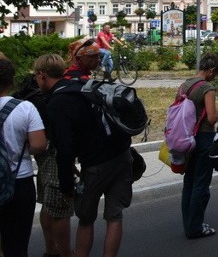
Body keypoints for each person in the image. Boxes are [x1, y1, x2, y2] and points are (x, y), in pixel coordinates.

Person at [40, 39, 133, 257]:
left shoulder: (61, 97)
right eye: (93, 56)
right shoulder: (95, 86)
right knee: (115, 216)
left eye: (97, 56)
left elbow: (65, 147)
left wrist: (66, 184)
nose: (97, 60)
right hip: (121, 154)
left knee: (86, 218)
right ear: (78, 57)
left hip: (96, 162)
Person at [24, 54, 75, 257]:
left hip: (45, 155)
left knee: (48, 204)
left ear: (42, 75)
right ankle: (63, 253)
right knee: (60, 209)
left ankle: (51, 249)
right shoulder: (63, 95)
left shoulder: (43, 97)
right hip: (56, 155)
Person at [0, 55, 48, 257]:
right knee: (17, 243)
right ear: (12, 81)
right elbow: (39, 145)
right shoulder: (25, 108)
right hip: (19, 181)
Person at [180, 53, 218, 239]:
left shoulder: (185, 84)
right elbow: (212, 117)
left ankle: (189, 223)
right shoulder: (207, 87)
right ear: (211, 71)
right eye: (216, 73)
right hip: (204, 137)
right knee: (201, 183)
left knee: (189, 182)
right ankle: (196, 226)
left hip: (186, 138)